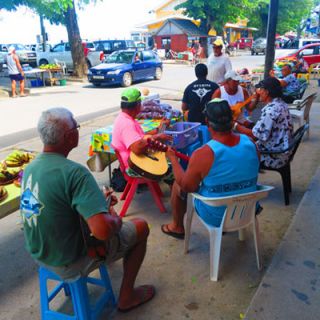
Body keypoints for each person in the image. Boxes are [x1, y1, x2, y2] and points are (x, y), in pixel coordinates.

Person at [20, 108, 155, 312]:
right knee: (140, 227)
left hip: (40, 254)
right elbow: (103, 231)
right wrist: (113, 217)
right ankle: (127, 296)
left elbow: (58, 206)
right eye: (76, 126)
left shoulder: (31, 168)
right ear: (69, 136)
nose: (77, 130)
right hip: (69, 260)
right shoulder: (75, 174)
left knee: (98, 219)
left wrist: (98, 204)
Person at [161, 99, 260, 238]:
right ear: (233, 120)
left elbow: (187, 186)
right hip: (249, 209)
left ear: (207, 122)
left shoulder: (204, 153)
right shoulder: (250, 143)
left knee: (178, 184)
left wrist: (172, 158)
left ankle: (177, 227)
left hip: (217, 215)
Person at [233, 77, 293, 169]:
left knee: (236, 149)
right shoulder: (281, 104)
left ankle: (244, 179)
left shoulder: (271, 111)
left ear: (266, 92)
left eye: (260, 89)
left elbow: (255, 135)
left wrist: (234, 125)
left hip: (274, 156)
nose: (258, 92)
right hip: (282, 150)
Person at [112, 88, 171, 169]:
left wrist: (159, 128)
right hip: (135, 166)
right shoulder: (126, 123)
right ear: (137, 105)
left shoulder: (124, 117)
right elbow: (137, 148)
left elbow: (140, 137)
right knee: (171, 160)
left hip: (138, 161)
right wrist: (157, 136)